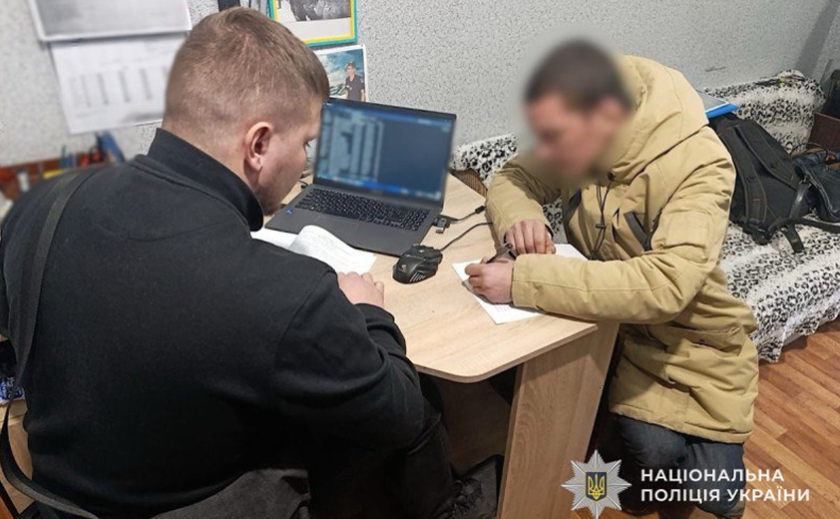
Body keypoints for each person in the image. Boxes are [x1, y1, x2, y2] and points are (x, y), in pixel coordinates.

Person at [0, 9, 497, 519]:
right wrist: (370, 313)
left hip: (64, 502)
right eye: (305, 143)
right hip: (208, 503)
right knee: (422, 400)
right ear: (259, 144)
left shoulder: (42, 205)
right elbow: (400, 416)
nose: (306, 162)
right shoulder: (284, 292)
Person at [465, 41, 758, 518]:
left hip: (691, 339)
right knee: (649, 451)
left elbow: (666, 286)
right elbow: (514, 177)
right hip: (612, 325)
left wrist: (524, 279)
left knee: (711, 491)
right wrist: (522, 218)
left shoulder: (702, 163)